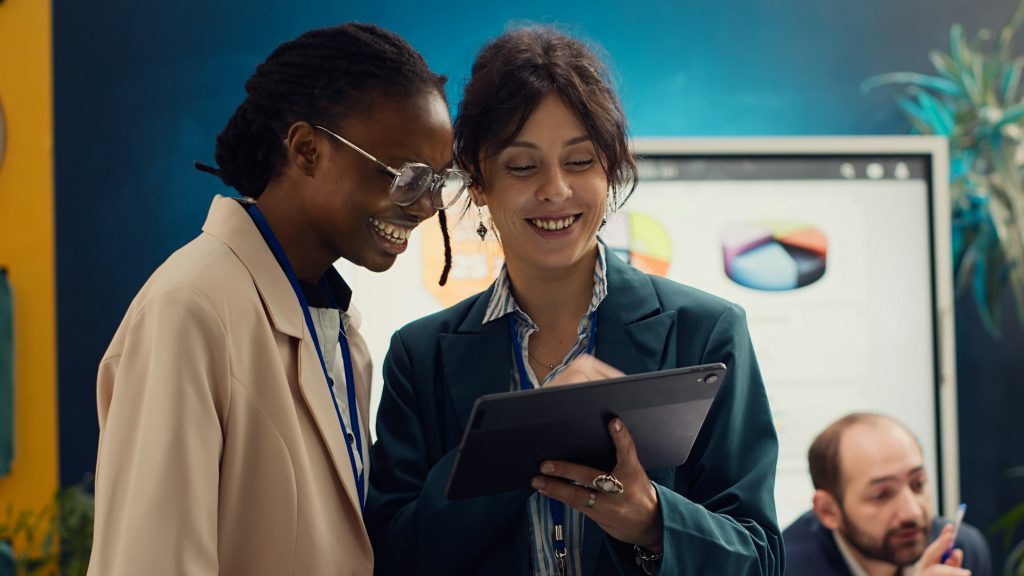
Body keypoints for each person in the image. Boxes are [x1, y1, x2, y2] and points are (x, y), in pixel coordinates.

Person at [366, 26, 783, 575]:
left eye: (581, 161)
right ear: (478, 181)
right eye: (522, 165)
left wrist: (652, 520)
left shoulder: (706, 333)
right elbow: (395, 556)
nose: (555, 190)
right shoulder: (419, 358)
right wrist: (524, 436)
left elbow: (761, 559)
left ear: (610, 170)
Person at [88, 23, 468, 576]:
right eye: (407, 176)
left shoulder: (338, 329)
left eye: (438, 181)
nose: (425, 206)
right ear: (306, 150)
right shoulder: (190, 309)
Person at [783, 413, 991, 576]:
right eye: (881, 495)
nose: (912, 512)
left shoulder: (963, 550)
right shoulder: (783, 569)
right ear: (828, 511)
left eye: (918, 484)